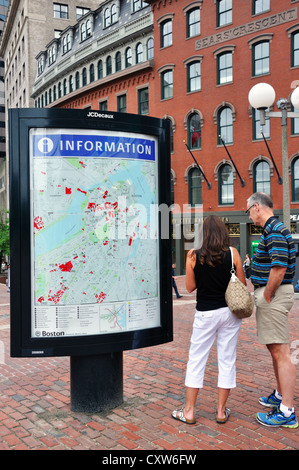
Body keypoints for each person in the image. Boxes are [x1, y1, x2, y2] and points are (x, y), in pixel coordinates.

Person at [171, 215, 245, 425]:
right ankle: (221, 411)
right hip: (229, 313)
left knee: (196, 359)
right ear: (223, 233)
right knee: (227, 359)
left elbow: (190, 287)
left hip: (205, 313)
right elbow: (241, 282)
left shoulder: (193, 255)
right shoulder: (233, 253)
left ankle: (189, 411)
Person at [246, 192, 298, 429]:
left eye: (248, 210)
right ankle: (279, 396)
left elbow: (279, 268)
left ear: (257, 207)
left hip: (273, 296)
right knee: (275, 349)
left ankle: (287, 411)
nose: (249, 216)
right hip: (274, 296)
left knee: (281, 352)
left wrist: (266, 296)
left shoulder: (274, 230)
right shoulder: (273, 229)